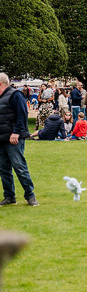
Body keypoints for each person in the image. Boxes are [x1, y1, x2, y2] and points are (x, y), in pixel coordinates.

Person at [0, 74, 38, 206]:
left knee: (19, 167)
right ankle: (9, 196)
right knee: (4, 169)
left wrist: (16, 132)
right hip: (2, 138)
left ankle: (30, 195)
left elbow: (22, 115)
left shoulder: (15, 95)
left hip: (14, 138)